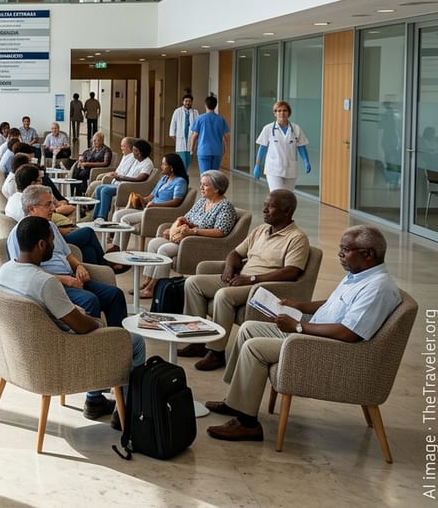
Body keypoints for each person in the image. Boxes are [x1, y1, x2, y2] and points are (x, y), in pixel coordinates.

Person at [205, 226, 401, 443]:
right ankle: (236, 401)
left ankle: (247, 424)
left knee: (255, 348)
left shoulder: (377, 288)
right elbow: (333, 304)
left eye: (345, 250)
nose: (340, 254)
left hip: (326, 347)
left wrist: (298, 327)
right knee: (248, 328)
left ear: (368, 254)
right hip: (315, 334)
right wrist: (298, 305)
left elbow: (348, 333)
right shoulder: (359, 275)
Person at [0, 216, 145, 428]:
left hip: (26, 352)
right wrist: (99, 325)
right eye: (51, 240)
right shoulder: (45, 282)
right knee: (135, 342)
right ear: (41, 244)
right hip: (60, 353)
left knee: (104, 307)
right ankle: (130, 412)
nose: (54, 244)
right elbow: (82, 327)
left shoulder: (5, 271)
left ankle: (98, 398)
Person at [179, 189, 311, 372]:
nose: (264, 210)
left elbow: (291, 272)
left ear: (287, 211)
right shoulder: (261, 230)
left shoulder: (297, 238)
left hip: (263, 287)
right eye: (264, 205)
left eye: (270, 207)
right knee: (193, 283)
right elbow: (235, 253)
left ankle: (216, 352)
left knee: (223, 295)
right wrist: (229, 268)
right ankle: (197, 341)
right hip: (241, 278)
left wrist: (251, 279)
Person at [7, 186, 129, 331]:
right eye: (48, 204)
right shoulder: (20, 234)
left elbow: (67, 254)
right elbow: (26, 271)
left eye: (52, 203)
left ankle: (118, 341)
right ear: (32, 208)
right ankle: (93, 345)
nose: (53, 208)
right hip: (52, 284)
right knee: (89, 300)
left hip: (71, 277)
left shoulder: (50, 226)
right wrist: (66, 280)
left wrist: (79, 266)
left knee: (115, 295)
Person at [138, 169, 240, 297]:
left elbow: (220, 232)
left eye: (205, 185)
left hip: (197, 242)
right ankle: (148, 281)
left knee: (164, 250)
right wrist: (177, 227)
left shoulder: (225, 207)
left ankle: (155, 287)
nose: (201, 187)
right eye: (201, 184)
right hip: (186, 236)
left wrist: (193, 231)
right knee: (153, 244)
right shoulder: (203, 201)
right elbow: (188, 217)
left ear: (217, 189)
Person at [111, 153, 189, 251]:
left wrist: (156, 205)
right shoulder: (164, 178)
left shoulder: (180, 182)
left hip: (157, 211)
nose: (161, 167)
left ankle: (120, 249)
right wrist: (142, 199)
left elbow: (176, 201)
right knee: (119, 214)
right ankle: (116, 245)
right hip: (149, 208)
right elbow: (152, 195)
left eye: (164, 164)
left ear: (172, 168)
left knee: (125, 219)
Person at [254, 100, 310, 191]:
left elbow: (301, 146)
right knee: (277, 195)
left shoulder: (296, 128)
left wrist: (306, 161)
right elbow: (262, 148)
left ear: (289, 113)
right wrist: (257, 165)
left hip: (290, 168)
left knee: (288, 196)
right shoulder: (268, 129)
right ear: (275, 113)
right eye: (279, 111)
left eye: (284, 110)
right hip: (274, 169)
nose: (282, 113)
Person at [92, 139, 154, 220]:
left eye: (134, 150)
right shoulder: (136, 160)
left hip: (129, 187)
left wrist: (122, 177)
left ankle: (102, 216)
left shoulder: (147, 163)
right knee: (99, 188)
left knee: (105, 190)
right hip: (123, 183)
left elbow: (141, 178)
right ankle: (95, 215)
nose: (133, 152)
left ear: (139, 153)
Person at [189, 95, 230, 173]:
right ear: (215, 105)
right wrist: (226, 150)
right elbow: (226, 136)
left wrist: (191, 149)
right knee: (214, 175)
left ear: (205, 105)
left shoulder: (200, 119)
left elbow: (194, 136)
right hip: (217, 151)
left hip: (204, 150)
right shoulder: (221, 119)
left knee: (205, 175)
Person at [168, 94, 199, 171]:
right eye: (186, 101)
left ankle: (184, 174)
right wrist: (176, 139)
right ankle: (183, 175)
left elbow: (198, 126)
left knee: (188, 161)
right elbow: (173, 125)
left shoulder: (195, 112)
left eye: (189, 101)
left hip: (190, 141)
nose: (187, 103)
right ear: (183, 102)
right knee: (182, 161)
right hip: (180, 141)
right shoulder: (177, 111)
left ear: (192, 102)